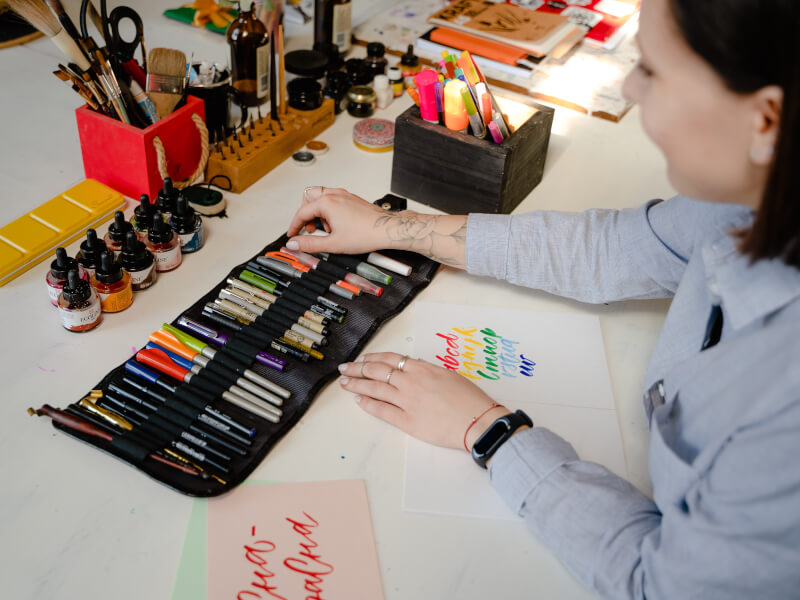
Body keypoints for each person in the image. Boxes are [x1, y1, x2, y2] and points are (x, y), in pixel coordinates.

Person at [285, 0, 800, 597]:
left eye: (655, 71)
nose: (630, 87)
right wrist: (396, 230)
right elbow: (614, 249)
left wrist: (492, 432)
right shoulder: (752, 194)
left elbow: (664, 586)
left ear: (764, 119)